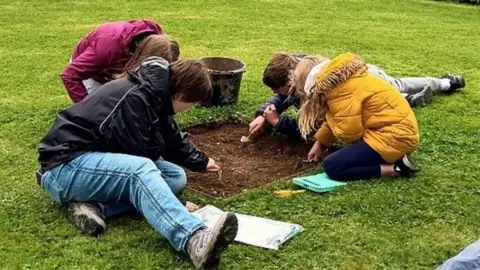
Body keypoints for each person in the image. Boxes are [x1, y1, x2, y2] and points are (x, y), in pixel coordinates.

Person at [37, 57, 237, 269]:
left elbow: (170, 136)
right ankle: (193, 238)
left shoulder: (154, 95)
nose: (192, 107)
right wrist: (176, 204)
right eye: (193, 102)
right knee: (141, 171)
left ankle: (96, 206)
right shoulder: (135, 100)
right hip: (65, 166)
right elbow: (135, 160)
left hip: (91, 161)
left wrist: (200, 161)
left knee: (174, 176)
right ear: (181, 95)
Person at [249, 52, 465, 138]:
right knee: (396, 90)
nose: (276, 95)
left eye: (278, 90)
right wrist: (264, 112)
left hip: (372, 81)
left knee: (395, 89)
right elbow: (281, 98)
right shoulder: (301, 70)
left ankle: (441, 85)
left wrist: (277, 122)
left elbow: (315, 127)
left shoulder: (315, 89)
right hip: (363, 82)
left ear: (292, 82)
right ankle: (428, 90)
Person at [293, 53, 420, 181]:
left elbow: (349, 134)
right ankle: (394, 158)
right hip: (400, 134)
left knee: (333, 166)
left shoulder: (340, 92)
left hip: (393, 138)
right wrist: (321, 143)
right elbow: (340, 116)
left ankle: (396, 169)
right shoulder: (346, 80)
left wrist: (329, 114)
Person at [61, 19, 180, 103]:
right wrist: (86, 108)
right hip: (91, 72)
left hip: (121, 61)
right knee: (103, 111)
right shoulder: (105, 51)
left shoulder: (155, 36)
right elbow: (69, 75)